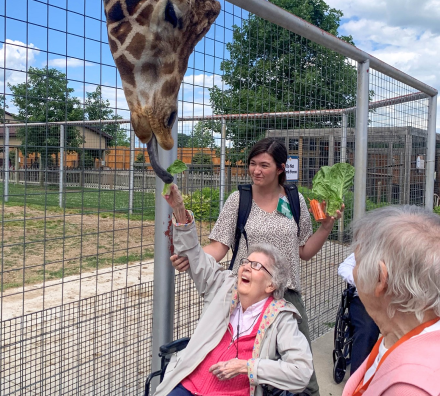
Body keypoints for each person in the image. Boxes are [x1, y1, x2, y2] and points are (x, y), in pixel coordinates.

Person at [171, 138, 343, 396]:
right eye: (253, 164)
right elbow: (219, 248)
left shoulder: (295, 201)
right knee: (237, 361)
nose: (256, 170)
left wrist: (326, 227)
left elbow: (304, 251)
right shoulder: (239, 200)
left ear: (281, 168)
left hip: (287, 295)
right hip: (246, 296)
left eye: (264, 165)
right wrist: (194, 259)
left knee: (304, 381)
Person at [155, 184, 314, 396]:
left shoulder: (280, 318)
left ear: (271, 284)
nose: (246, 266)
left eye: (257, 266)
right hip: (189, 385)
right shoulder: (223, 287)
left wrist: (247, 367)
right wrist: (180, 211)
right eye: (246, 262)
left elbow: (301, 371)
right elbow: (195, 255)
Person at [342, 205, 440, 396]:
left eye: (356, 261)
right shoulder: (397, 337)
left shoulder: (409, 388)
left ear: (380, 278)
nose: (353, 270)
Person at [338, 253, 380, 374]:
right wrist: (362, 282)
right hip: (364, 297)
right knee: (366, 328)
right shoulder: (367, 247)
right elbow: (344, 268)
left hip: (395, 300)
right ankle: (358, 380)